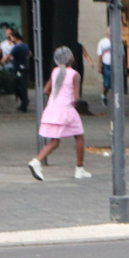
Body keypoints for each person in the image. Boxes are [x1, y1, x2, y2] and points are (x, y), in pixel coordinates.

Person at [27, 46, 91, 181]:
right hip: (67, 110)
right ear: (71, 59)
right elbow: (76, 97)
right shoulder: (75, 74)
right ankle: (79, 168)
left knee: (54, 141)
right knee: (79, 137)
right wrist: (73, 103)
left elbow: (46, 90)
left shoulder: (55, 71)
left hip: (52, 109)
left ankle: (37, 161)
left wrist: (54, 98)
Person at [9, 31, 31, 112]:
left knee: (17, 86)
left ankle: (24, 103)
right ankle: (24, 103)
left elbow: (9, 56)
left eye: (11, 37)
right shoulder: (25, 45)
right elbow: (29, 54)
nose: (11, 39)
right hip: (25, 68)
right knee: (23, 87)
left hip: (18, 69)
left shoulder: (16, 47)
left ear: (15, 37)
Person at [97, 27, 112, 104]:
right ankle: (104, 95)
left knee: (114, 83)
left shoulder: (118, 41)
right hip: (106, 65)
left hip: (115, 66)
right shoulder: (102, 42)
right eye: (109, 29)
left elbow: (122, 55)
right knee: (107, 83)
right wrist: (99, 65)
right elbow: (99, 55)